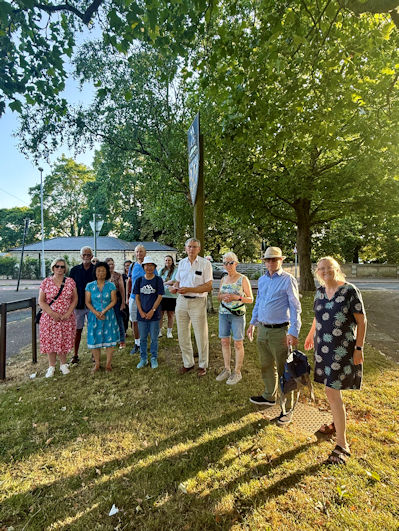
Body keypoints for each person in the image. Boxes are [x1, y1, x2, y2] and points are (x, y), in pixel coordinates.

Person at [304, 256, 366, 465]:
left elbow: (362, 320)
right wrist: (311, 334)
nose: (325, 271)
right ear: (317, 272)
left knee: (332, 391)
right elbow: (317, 315)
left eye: (329, 268)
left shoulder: (349, 291)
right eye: (321, 269)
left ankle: (342, 444)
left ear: (336, 269)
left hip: (342, 350)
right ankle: (335, 424)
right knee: (331, 391)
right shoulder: (320, 291)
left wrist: (359, 348)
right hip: (323, 348)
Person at [247, 246, 301, 426]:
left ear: (281, 260)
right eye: (268, 260)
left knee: (286, 369)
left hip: (280, 332)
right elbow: (259, 302)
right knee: (266, 364)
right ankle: (269, 395)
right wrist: (253, 323)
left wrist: (293, 331)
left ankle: (288, 408)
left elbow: (295, 307)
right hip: (263, 329)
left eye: (274, 259)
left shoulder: (288, 280)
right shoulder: (262, 280)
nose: (270, 262)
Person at [169, 237, 213, 377]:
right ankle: (188, 363)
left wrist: (190, 289)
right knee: (182, 334)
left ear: (199, 249)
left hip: (198, 302)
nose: (191, 249)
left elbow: (209, 286)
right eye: (189, 246)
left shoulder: (205, 264)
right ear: (185, 248)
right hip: (181, 301)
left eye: (194, 247)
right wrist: (174, 287)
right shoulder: (181, 263)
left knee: (201, 334)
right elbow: (177, 281)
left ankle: (202, 364)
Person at [216, 252, 253, 385]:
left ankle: (237, 372)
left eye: (231, 262)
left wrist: (236, 297)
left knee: (238, 343)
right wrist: (224, 296)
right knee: (224, 341)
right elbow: (218, 296)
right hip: (223, 314)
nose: (228, 265)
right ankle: (226, 369)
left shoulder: (243, 279)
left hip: (237, 315)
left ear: (236, 263)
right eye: (225, 263)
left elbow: (250, 299)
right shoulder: (223, 279)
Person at [39, 258, 78, 378]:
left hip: (66, 317)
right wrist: (51, 313)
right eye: (57, 266)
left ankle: (63, 364)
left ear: (65, 269)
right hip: (50, 317)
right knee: (50, 341)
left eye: (62, 266)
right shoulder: (46, 282)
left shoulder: (70, 282)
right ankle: (51, 366)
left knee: (63, 339)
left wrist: (68, 312)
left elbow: (75, 298)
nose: (59, 269)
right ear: (53, 268)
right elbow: (41, 301)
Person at [85, 261, 120, 372]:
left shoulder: (111, 285)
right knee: (95, 340)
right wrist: (96, 312)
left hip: (108, 315)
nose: (101, 273)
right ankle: (97, 364)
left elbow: (114, 300)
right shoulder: (89, 286)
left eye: (103, 271)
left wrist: (104, 310)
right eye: (99, 270)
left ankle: (108, 364)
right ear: (95, 272)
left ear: (107, 273)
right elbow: (88, 302)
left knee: (109, 339)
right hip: (94, 316)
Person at [133, 256, 164, 369]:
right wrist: (141, 311)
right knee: (143, 338)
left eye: (151, 265)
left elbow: (160, 296)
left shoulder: (158, 280)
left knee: (154, 338)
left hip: (154, 315)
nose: (149, 267)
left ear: (154, 267)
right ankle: (143, 358)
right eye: (146, 265)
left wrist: (152, 310)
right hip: (142, 315)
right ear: (143, 267)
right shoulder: (139, 280)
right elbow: (136, 296)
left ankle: (154, 358)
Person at [69, 246, 95, 363]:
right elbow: (69, 288)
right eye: (84, 255)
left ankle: (94, 355)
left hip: (93, 305)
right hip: (78, 306)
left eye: (88, 255)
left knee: (93, 330)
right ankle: (75, 355)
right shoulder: (74, 270)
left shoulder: (96, 269)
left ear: (92, 256)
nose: (86, 257)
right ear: (80, 256)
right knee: (77, 330)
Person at [127, 245, 147, 354]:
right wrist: (127, 296)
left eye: (141, 251)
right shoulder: (133, 266)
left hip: (146, 298)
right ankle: (137, 343)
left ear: (145, 253)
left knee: (145, 321)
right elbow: (129, 281)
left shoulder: (149, 265)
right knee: (134, 320)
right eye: (137, 252)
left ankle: (144, 342)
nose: (139, 254)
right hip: (134, 297)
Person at [105, 257, 127, 348]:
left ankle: (122, 340)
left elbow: (122, 290)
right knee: (107, 321)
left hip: (117, 300)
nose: (111, 266)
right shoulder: (103, 276)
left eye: (112, 264)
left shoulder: (118, 275)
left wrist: (123, 302)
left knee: (119, 320)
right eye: (109, 264)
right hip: (106, 302)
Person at [159, 255, 178, 338]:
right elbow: (158, 280)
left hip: (172, 296)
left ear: (172, 261)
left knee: (170, 314)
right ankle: (159, 331)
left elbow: (173, 281)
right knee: (160, 314)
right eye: (166, 260)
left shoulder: (176, 270)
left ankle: (169, 332)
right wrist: (167, 282)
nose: (167, 262)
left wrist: (164, 283)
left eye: (169, 260)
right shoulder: (161, 270)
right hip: (162, 295)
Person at [122, 260, 132, 334]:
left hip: (133, 297)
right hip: (125, 297)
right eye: (126, 266)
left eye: (129, 265)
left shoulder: (134, 275)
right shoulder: (122, 276)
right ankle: (124, 331)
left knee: (133, 314)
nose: (128, 267)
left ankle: (134, 330)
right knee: (125, 315)